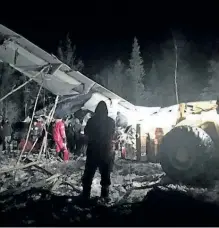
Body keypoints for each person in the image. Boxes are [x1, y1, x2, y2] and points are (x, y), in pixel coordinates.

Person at [81, 101, 116, 201]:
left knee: (89, 173)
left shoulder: (92, 120)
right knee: (105, 174)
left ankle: (85, 195)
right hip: (106, 151)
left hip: (93, 150)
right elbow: (112, 133)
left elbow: (87, 132)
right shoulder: (111, 121)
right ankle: (104, 196)